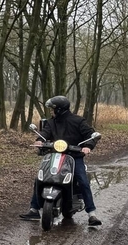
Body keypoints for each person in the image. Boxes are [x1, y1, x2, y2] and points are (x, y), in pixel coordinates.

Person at [19, 95, 102, 226]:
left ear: (59, 109)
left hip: (74, 157)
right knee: (40, 178)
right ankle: (34, 209)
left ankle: (92, 214)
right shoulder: (52, 122)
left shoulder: (78, 121)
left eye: (52, 109)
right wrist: (40, 140)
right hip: (55, 156)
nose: (51, 112)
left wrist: (87, 146)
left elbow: (90, 135)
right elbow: (45, 132)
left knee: (83, 180)